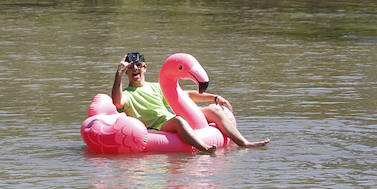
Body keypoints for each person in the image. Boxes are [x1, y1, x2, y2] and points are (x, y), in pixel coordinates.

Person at [109, 53, 268, 155]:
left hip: (169, 119)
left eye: (138, 65)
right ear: (127, 71)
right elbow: (117, 101)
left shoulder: (156, 87)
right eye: (131, 67)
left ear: (145, 68)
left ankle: (244, 143)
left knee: (214, 111)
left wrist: (214, 97)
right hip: (156, 127)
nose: (135, 69)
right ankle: (204, 148)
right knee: (179, 120)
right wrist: (118, 74)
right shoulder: (127, 94)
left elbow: (185, 96)